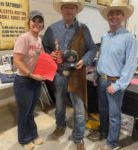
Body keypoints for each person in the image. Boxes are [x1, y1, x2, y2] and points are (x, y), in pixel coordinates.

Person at [42, 0, 97, 150]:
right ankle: (60, 126)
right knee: (59, 105)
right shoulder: (52, 29)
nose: (69, 10)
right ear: (61, 9)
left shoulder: (83, 29)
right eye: (66, 7)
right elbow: (44, 48)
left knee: (79, 109)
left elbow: (92, 49)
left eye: (72, 7)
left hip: (77, 75)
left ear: (76, 10)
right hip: (59, 74)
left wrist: (84, 61)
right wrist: (50, 54)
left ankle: (79, 137)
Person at [91, 0, 137, 150]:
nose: (114, 16)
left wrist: (118, 85)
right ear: (107, 16)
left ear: (123, 16)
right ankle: (103, 133)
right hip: (102, 80)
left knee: (114, 115)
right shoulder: (105, 36)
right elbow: (101, 57)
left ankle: (112, 144)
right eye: (111, 13)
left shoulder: (128, 37)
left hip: (114, 83)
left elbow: (131, 65)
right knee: (102, 111)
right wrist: (96, 74)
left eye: (118, 13)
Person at [13, 10, 46, 150]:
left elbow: (42, 58)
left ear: (43, 25)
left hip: (36, 81)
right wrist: (32, 75)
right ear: (29, 23)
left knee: (31, 111)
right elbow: (17, 60)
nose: (37, 24)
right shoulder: (24, 38)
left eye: (40, 21)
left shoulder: (39, 40)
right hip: (24, 81)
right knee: (24, 112)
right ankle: (24, 138)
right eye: (34, 20)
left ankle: (33, 134)